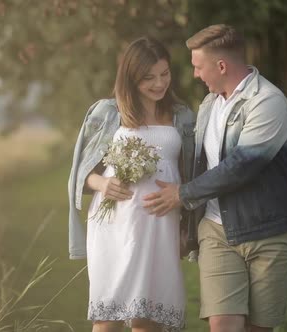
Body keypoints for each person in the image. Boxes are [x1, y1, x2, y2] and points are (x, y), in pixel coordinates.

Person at [143, 24, 287, 332]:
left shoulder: (268, 101)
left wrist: (183, 193)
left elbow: (242, 166)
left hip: (267, 232)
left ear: (221, 65)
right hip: (216, 231)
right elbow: (199, 163)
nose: (195, 75)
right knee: (223, 326)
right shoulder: (208, 106)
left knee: (257, 328)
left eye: (198, 67)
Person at [67, 36, 196, 332]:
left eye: (165, 74)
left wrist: (187, 223)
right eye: (149, 77)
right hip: (116, 222)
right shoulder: (108, 112)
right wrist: (103, 183)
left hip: (161, 224)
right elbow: (81, 172)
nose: (159, 83)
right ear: (130, 77)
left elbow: (190, 174)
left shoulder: (182, 116)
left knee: (146, 318)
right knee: (108, 317)